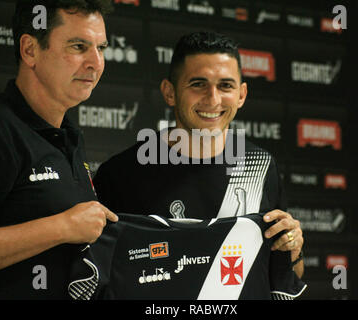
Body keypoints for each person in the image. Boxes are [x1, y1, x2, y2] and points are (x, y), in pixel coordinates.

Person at [93, 31, 305, 280]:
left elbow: (288, 278)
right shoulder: (119, 175)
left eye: (225, 86)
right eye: (198, 84)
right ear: (169, 92)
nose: (213, 99)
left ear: (241, 95)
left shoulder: (259, 167)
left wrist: (293, 248)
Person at [0, 0, 117, 299]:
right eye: (78, 46)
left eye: (101, 48)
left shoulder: (70, 134)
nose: (95, 62)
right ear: (30, 50)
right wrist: (62, 227)